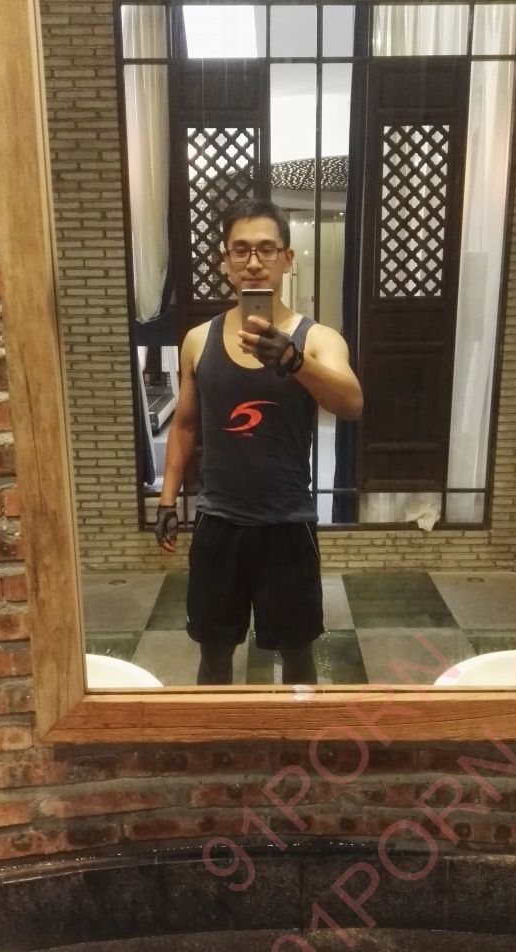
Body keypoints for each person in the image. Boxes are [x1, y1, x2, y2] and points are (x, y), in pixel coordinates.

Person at [155, 198, 362, 685]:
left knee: (296, 657)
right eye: (241, 249)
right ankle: (219, 734)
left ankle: (295, 733)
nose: (253, 262)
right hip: (218, 522)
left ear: (287, 258)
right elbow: (184, 426)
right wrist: (167, 499)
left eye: (267, 249)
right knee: (214, 653)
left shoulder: (317, 338)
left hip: (286, 525)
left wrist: (294, 362)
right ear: (224, 261)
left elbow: (352, 403)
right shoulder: (197, 339)